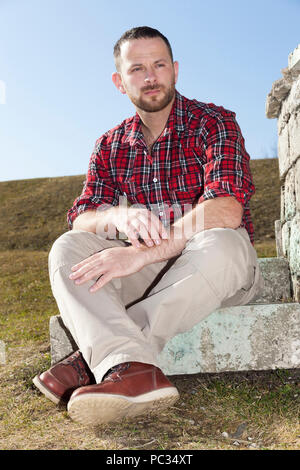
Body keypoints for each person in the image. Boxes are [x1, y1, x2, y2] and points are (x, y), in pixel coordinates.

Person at [33, 26, 264, 426]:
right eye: (137, 68)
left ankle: (103, 361)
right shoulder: (109, 145)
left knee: (222, 244)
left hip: (214, 270)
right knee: (67, 248)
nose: (150, 76)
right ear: (119, 82)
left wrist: (138, 254)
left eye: (159, 65)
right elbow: (81, 216)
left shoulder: (215, 122)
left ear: (175, 70)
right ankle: (134, 371)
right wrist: (115, 216)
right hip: (150, 272)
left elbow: (227, 210)